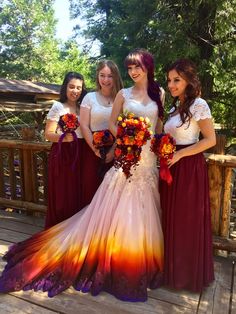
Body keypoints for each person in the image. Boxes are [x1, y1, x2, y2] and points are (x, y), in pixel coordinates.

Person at [0, 49, 164, 302]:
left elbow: (159, 125)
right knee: (114, 207)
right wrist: (126, 138)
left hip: (148, 160)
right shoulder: (124, 94)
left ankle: (141, 258)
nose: (133, 72)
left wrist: (154, 141)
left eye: (137, 67)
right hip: (125, 153)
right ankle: (117, 259)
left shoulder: (159, 93)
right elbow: (112, 123)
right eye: (130, 68)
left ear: (148, 67)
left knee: (142, 209)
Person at [160, 58, 216, 292]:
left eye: (177, 80)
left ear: (188, 81)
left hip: (188, 168)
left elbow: (210, 140)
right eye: (169, 80)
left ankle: (185, 276)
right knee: (170, 217)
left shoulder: (198, 104)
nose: (172, 84)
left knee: (185, 220)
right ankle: (170, 271)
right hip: (171, 165)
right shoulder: (175, 106)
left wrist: (180, 156)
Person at [44, 72, 87, 228]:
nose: (75, 91)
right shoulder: (58, 106)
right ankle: (58, 230)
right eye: (71, 87)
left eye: (78, 87)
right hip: (63, 154)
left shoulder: (83, 107)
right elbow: (48, 134)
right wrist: (64, 138)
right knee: (63, 194)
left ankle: (74, 231)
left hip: (81, 153)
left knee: (78, 192)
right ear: (65, 87)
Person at [80, 60, 123, 208]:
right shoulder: (89, 98)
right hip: (93, 150)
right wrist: (95, 149)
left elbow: (123, 127)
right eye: (102, 75)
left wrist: (113, 151)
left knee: (113, 193)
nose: (106, 80)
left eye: (110, 76)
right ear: (97, 77)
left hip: (117, 151)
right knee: (91, 188)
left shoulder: (122, 98)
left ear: (116, 77)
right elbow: (84, 125)